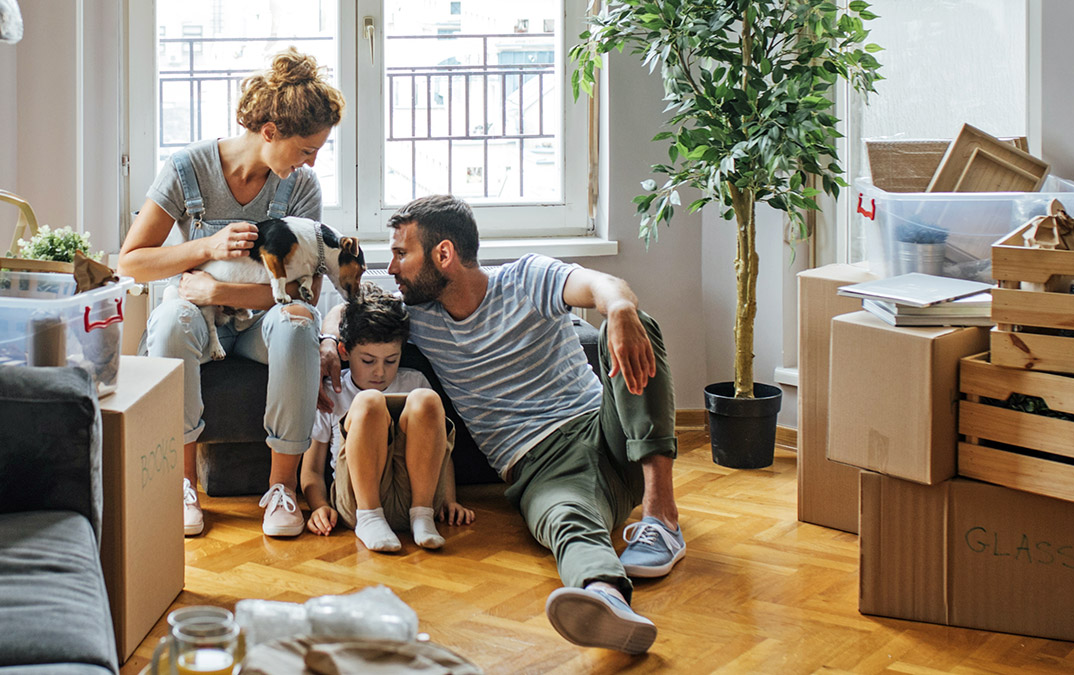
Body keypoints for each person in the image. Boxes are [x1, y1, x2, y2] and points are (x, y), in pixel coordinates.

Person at [350, 194, 685, 654]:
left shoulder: (526, 278)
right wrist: (331, 339)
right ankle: (607, 601)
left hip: (605, 428)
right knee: (567, 523)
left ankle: (662, 517)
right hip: (538, 468)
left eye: (401, 253)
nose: (391, 268)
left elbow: (602, 284)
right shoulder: (417, 317)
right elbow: (349, 311)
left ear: (443, 255)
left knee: (632, 321)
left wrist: (622, 310)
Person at [119, 48, 344, 538]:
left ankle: (281, 489)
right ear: (270, 133)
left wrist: (220, 288)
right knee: (172, 320)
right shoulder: (187, 169)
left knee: (297, 323)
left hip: (258, 321)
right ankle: (180, 487)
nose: (312, 160)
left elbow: (305, 291)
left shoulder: (300, 187)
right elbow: (131, 261)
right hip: (198, 320)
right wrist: (207, 245)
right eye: (307, 148)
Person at [298, 285, 476, 553]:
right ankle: (371, 519)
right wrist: (319, 507)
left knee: (426, 400)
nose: (380, 372)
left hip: (418, 496)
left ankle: (422, 517)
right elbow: (311, 469)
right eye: (368, 361)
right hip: (357, 503)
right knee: (369, 401)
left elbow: (441, 454)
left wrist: (449, 499)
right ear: (344, 352)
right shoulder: (331, 393)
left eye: (391, 360)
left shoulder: (414, 380)